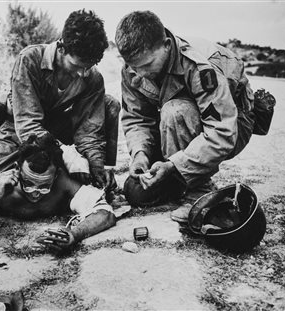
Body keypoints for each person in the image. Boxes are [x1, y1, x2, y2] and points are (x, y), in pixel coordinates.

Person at [115, 11, 275, 223]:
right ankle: (176, 183)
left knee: (176, 110)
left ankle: (198, 192)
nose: (140, 73)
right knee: (135, 192)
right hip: (178, 127)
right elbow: (137, 119)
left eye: (147, 65)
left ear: (166, 45)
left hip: (232, 125)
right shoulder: (133, 69)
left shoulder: (201, 67)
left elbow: (221, 132)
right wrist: (140, 154)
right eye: (135, 66)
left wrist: (172, 165)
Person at [0, 9, 120, 198]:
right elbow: (27, 124)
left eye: (88, 67)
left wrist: (97, 166)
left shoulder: (92, 78)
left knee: (109, 104)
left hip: (56, 128)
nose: (83, 74)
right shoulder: (29, 60)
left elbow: (89, 132)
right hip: (19, 129)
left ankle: (98, 176)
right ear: (61, 48)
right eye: (77, 66)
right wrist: (67, 155)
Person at [0, 134, 117, 251]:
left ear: (56, 176)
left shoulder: (63, 183)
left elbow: (105, 214)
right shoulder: (2, 189)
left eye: (44, 186)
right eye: (28, 184)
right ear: (18, 172)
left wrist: (74, 234)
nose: (35, 193)